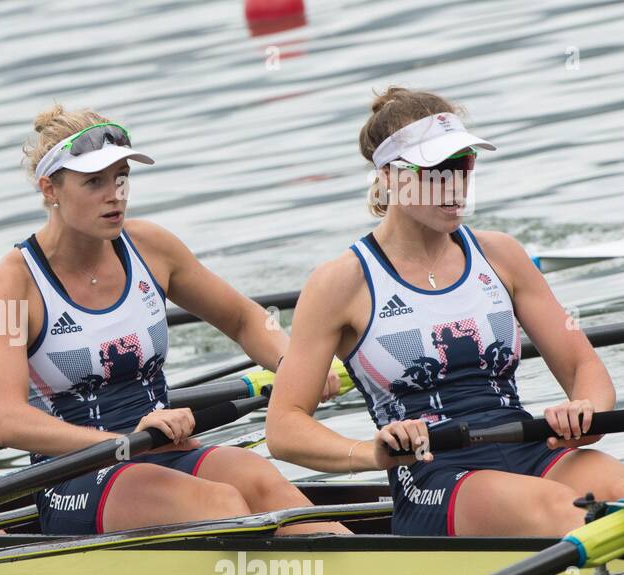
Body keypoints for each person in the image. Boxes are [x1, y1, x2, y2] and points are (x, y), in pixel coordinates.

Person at [265, 87, 624, 536]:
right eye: (435, 171)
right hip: (433, 474)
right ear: (390, 177)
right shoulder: (340, 282)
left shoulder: (502, 256)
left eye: (463, 165)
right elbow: (283, 427)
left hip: (529, 445)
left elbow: (581, 363)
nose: (455, 185)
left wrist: (586, 411)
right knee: (568, 512)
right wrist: (369, 452)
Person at [0, 104, 349, 536]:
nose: (114, 194)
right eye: (94, 182)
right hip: (74, 475)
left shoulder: (151, 246)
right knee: (221, 502)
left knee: (258, 476)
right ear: (50, 189)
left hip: (163, 447)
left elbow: (245, 318)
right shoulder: (7, 285)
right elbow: (6, 420)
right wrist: (122, 440)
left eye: (120, 177)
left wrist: (293, 365)